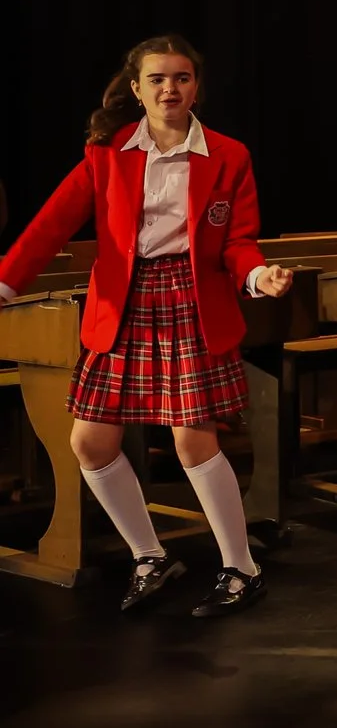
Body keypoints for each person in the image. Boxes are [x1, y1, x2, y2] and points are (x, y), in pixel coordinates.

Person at [0, 36, 292, 618]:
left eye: (181, 78)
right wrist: (5, 283)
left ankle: (241, 568)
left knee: (192, 440)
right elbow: (51, 224)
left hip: (191, 300)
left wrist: (258, 275)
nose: (169, 89)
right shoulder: (107, 151)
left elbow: (238, 240)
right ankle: (149, 555)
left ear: (196, 87)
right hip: (124, 304)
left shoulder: (228, 154)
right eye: (157, 79)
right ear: (136, 88)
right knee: (90, 441)